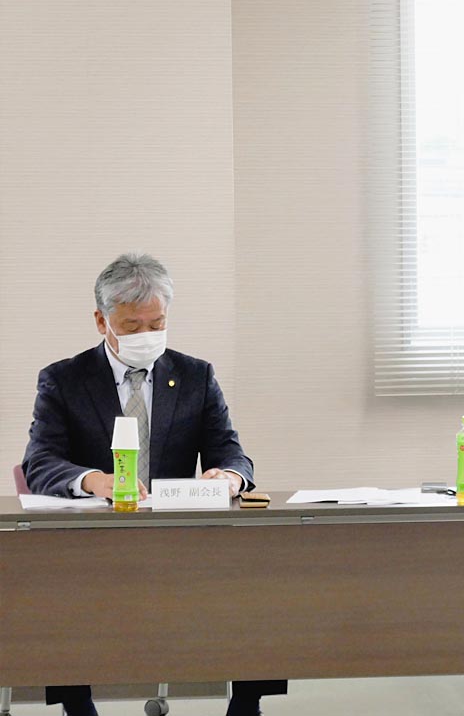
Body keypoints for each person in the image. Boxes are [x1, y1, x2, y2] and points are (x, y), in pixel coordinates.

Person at [21, 253, 286, 716]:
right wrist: (93, 481)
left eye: (157, 323)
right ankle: (77, 706)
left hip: (177, 536)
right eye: (132, 325)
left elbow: (231, 452)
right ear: (102, 321)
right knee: (57, 587)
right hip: (93, 541)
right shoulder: (64, 379)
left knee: (259, 576)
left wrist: (229, 476)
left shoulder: (195, 375)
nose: (147, 335)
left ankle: (247, 705)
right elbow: (40, 462)